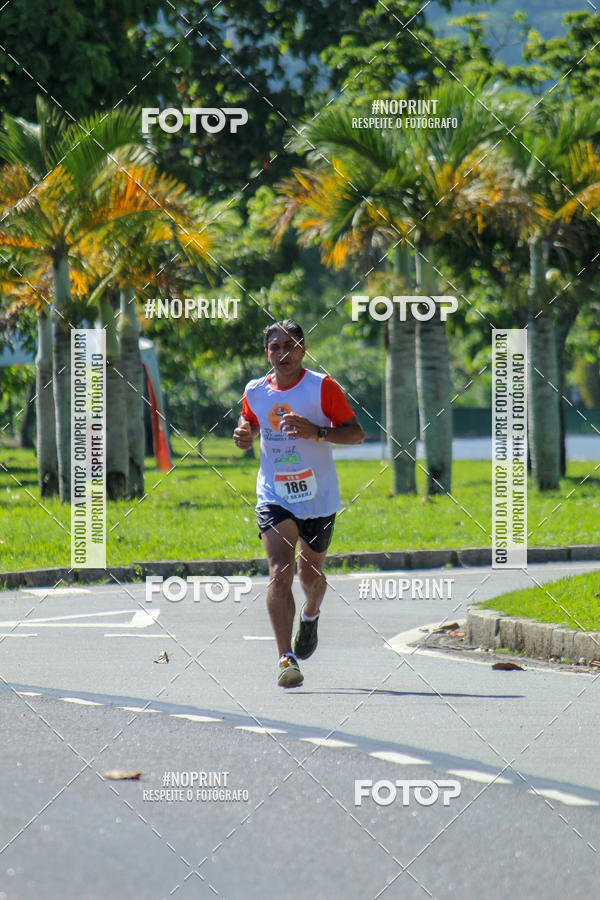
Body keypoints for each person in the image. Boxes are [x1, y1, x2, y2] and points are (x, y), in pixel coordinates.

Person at [233, 319, 365, 687]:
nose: (282, 353)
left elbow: (356, 434)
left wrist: (317, 431)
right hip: (274, 493)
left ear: (303, 350)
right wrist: (244, 434)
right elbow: (250, 423)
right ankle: (285, 658)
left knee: (310, 575)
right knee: (280, 570)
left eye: (290, 346)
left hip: (317, 496)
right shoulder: (255, 390)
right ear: (267, 353)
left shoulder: (322, 387)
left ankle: (311, 613)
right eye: (275, 347)